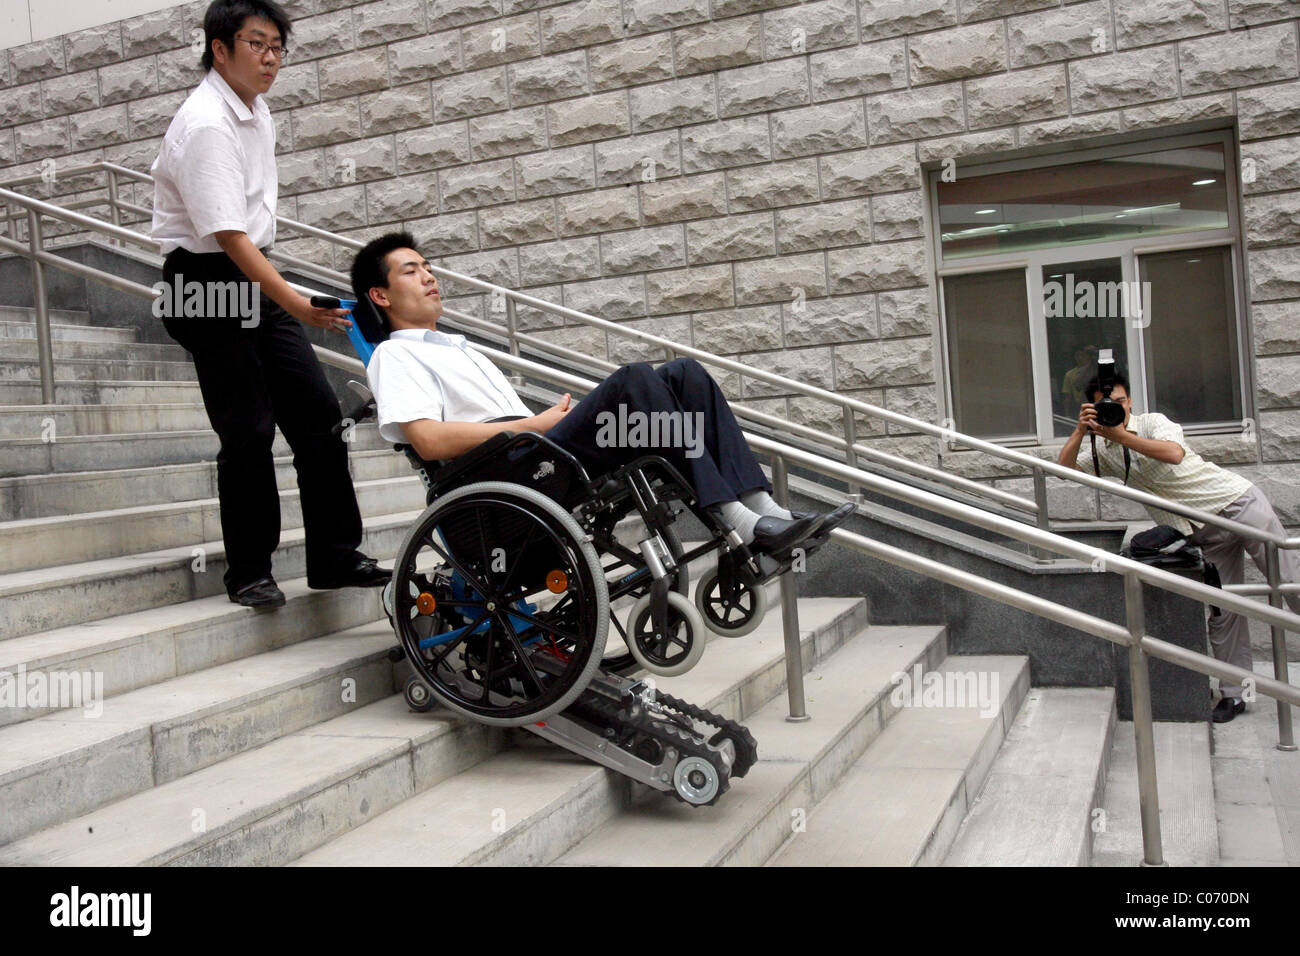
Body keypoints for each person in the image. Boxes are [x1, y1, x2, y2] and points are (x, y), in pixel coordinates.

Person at [349, 232, 853, 557]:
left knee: (686, 375)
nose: (430, 275)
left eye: (428, 266)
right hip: (507, 470)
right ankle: (735, 519)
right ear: (381, 295)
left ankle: (761, 505)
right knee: (635, 378)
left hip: (534, 450)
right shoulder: (395, 356)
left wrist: (544, 425)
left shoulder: (459, 348)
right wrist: (536, 425)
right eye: (411, 270)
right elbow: (430, 442)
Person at [150, 0, 388, 608]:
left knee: (315, 412)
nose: (270, 58)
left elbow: (248, 236)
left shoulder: (256, 111)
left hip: (248, 273)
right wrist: (297, 303)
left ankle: (334, 555)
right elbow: (227, 236)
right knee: (248, 427)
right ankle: (249, 571)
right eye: (257, 44)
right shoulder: (206, 123)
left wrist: (280, 295)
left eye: (278, 47)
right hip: (204, 283)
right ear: (219, 47)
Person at [1057, 371, 1300, 723]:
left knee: (1292, 583)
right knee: (1224, 612)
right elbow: (1064, 471)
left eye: (1120, 402)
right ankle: (1235, 695)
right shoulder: (1103, 449)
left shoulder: (1154, 423)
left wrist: (1122, 435)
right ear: (1092, 408)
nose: (1116, 408)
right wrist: (1081, 431)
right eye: (1105, 405)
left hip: (1236, 504)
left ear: (1130, 402)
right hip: (1202, 532)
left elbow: (1172, 454)